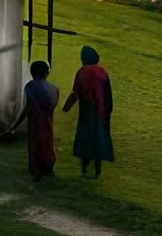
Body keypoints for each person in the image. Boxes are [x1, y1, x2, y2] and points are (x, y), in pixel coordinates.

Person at [62, 45, 114, 177]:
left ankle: (84, 168)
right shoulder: (103, 72)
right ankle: (97, 169)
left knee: (85, 138)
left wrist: (66, 107)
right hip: (101, 111)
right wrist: (108, 112)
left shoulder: (82, 72)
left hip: (87, 110)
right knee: (98, 139)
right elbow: (108, 94)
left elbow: (75, 93)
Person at [24, 60, 59, 181]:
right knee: (48, 141)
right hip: (47, 121)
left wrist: (15, 126)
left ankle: (35, 168)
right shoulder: (54, 89)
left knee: (35, 143)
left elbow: (29, 107)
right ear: (46, 73)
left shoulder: (29, 86)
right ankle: (48, 166)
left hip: (34, 122)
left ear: (32, 73)